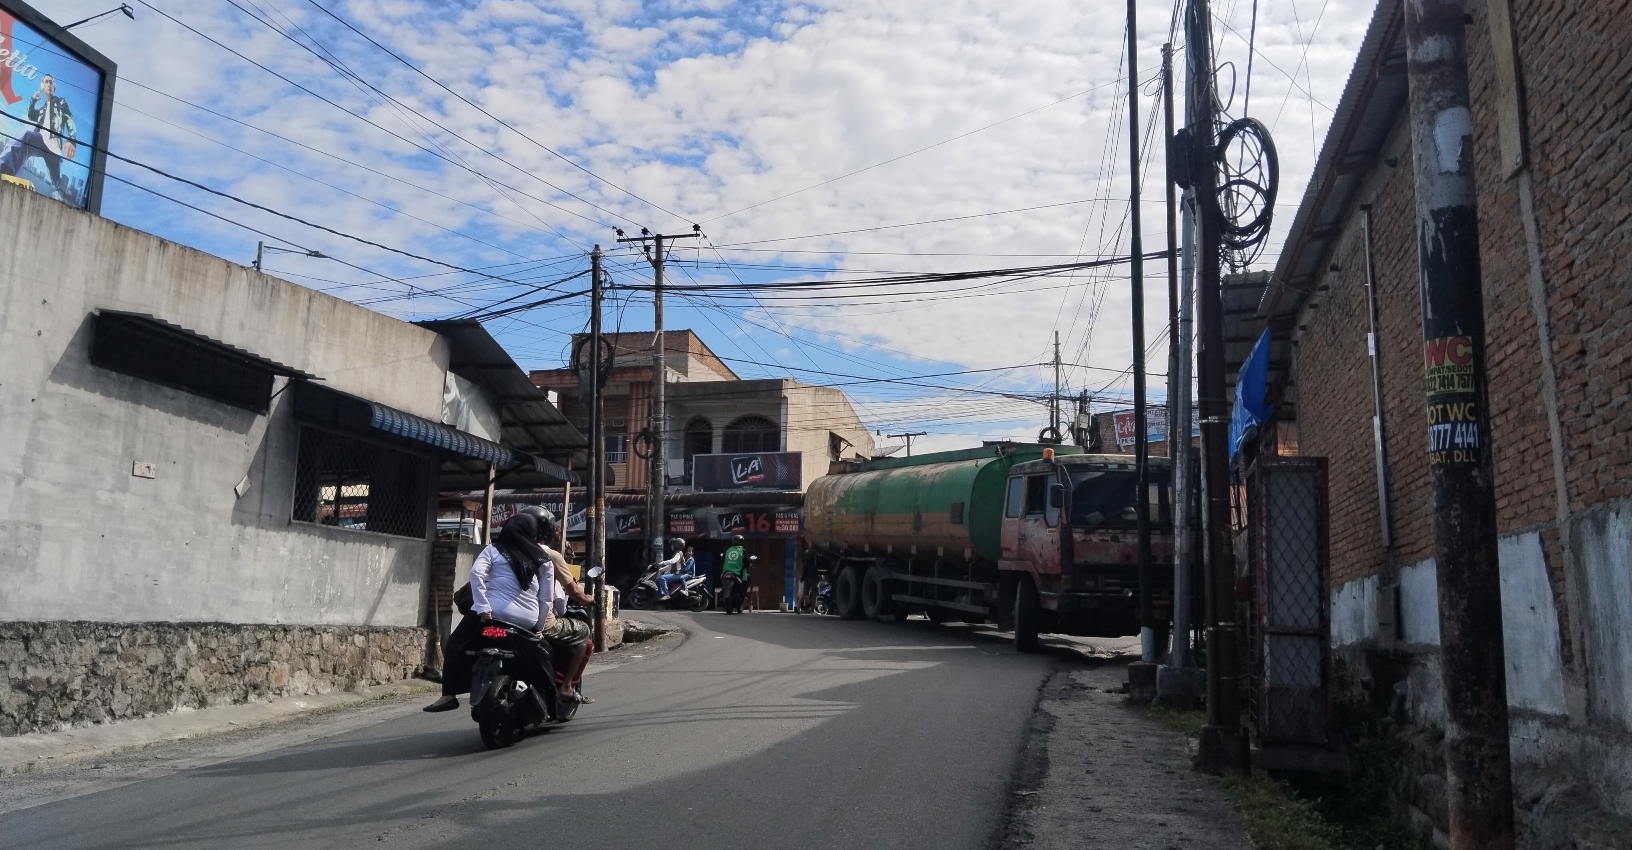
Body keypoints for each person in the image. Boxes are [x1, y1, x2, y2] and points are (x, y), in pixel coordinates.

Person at [424, 512, 562, 713]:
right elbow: (546, 598)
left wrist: (483, 607)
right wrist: (539, 627)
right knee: (539, 655)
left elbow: (476, 574)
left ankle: (448, 696)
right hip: (527, 620)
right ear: (532, 533)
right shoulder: (544, 560)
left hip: (491, 615)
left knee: (455, 644)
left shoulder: (493, 550)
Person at [518, 506, 594, 703]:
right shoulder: (550, 556)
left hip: (501, 617)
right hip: (537, 621)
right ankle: (566, 686)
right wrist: (588, 599)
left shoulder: (503, 549)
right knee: (583, 632)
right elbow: (573, 592)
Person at [0, 75, 78, 192]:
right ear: (42, 86)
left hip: (54, 147)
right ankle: (4, 169)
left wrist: (71, 140)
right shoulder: (42, 110)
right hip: (40, 140)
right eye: (46, 82)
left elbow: (69, 119)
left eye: (51, 82)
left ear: (54, 87)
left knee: (56, 181)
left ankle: (59, 193)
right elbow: (31, 115)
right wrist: (33, 100)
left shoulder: (61, 102)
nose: (49, 84)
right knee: (26, 136)